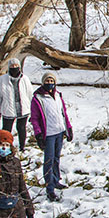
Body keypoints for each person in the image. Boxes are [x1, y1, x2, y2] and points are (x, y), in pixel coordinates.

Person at [30, 72, 73, 202]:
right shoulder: (38, 98)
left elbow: (63, 113)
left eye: (51, 80)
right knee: (48, 160)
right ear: (43, 82)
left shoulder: (58, 95)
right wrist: (38, 134)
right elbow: (35, 118)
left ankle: (56, 179)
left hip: (59, 131)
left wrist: (68, 128)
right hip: (48, 134)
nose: (49, 83)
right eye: (47, 81)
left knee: (56, 158)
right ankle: (50, 188)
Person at [0, 57, 34, 151]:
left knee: (21, 128)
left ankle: (22, 147)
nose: (14, 67)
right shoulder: (3, 79)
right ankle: (6, 148)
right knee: (6, 130)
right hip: (8, 109)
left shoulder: (25, 78)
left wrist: (33, 110)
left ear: (19, 67)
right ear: (9, 67)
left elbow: (30, 94)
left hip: (23, 108)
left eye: (16, 66)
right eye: (12, 66)